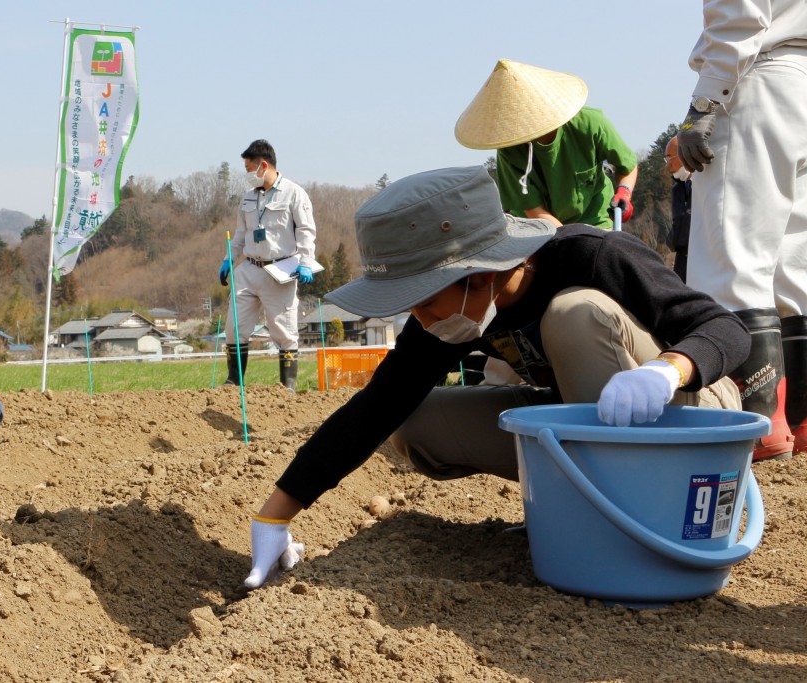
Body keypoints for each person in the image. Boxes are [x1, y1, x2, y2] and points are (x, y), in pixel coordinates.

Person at [242, 166, 748, 589]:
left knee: (574, 315)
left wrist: (666, 371)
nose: (418, 317)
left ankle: (623, 529)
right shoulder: (453, 313)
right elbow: (376, 407)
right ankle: (577, 513)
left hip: (686, 417)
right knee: (413, 420)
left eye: (423, 299)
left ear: (480, 273)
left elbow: (724, 329)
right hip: (589, 427)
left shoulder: (591, 256)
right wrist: (276, 514)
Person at [675, 2, 807, 459]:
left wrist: (704, 101)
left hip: (762, 78)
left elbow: (741, 17)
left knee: (731, 254)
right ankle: (801, 420)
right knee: (794, 264)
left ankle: (754, 420)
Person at [455, 59, 639, 230]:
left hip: (596, 219)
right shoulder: (509, 151)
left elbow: (628, 165)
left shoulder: (590, 124)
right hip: (540, 228)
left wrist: (624, 192)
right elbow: (534, 210)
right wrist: (572, 240)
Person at [218, 139, 317, 391]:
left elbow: (306, 231)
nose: (248, 175)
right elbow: (241, 234)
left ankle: (288, 386)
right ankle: (234, 381)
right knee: (235, 327)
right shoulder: (248, 198)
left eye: (250, 169)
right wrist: (229, 258)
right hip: (249, 269)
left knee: (284, 330)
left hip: (280, 269)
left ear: (264, 165)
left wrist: (305, 262)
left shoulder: (294, 193)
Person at [664, 136, 692, 282]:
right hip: (682, 256)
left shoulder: (704, 184)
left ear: (683, 155)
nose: (668, 164)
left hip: (701, 254)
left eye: (670, 157)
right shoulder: (678, 188)